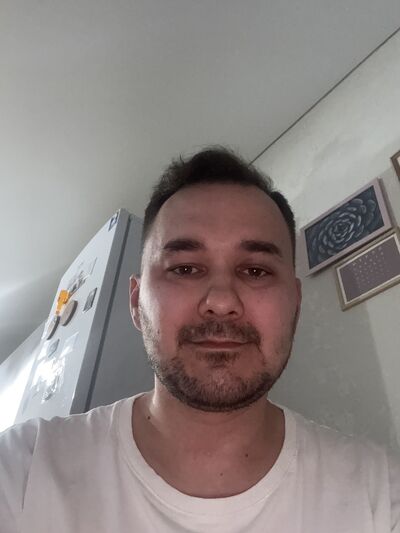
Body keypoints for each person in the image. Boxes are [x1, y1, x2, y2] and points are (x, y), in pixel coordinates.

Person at [1, 147, 399, 532]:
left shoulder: (379, 493)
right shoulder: (23, 471)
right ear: (137, 303)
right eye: (186, 269)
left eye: (256, 271)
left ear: (295, 303)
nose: (221, 302)